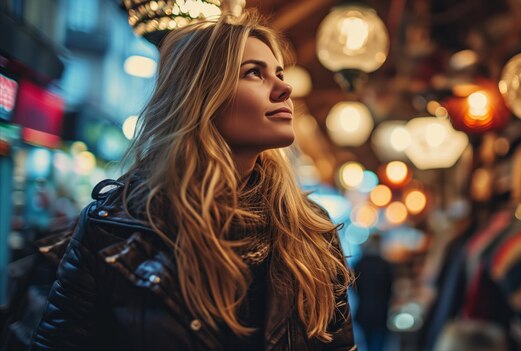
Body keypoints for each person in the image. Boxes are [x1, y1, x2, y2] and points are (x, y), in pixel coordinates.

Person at [30, 11, 355, 351]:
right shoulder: (113, 227)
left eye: (279, 73)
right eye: (254, 73)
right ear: (200, 95)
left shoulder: (309, 230)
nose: (285, 88)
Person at [353, 234, 393, 351]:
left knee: (366, 343)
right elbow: (389, 288)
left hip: (363, 311)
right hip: (381, 311)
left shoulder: (359, 264)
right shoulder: (385, 264)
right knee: (379, 344)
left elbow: (355, 288)